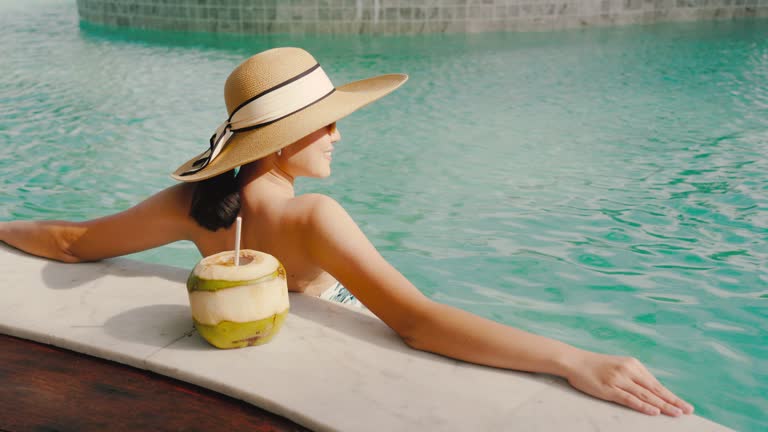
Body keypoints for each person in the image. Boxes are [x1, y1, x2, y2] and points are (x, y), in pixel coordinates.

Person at [0, 47, 693, 417]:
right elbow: (417, 322)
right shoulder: (313, 217)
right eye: (324, 123)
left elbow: (73, 242)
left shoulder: (194, 203)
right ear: (277, 143)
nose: (337, 134)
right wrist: (573, 359)